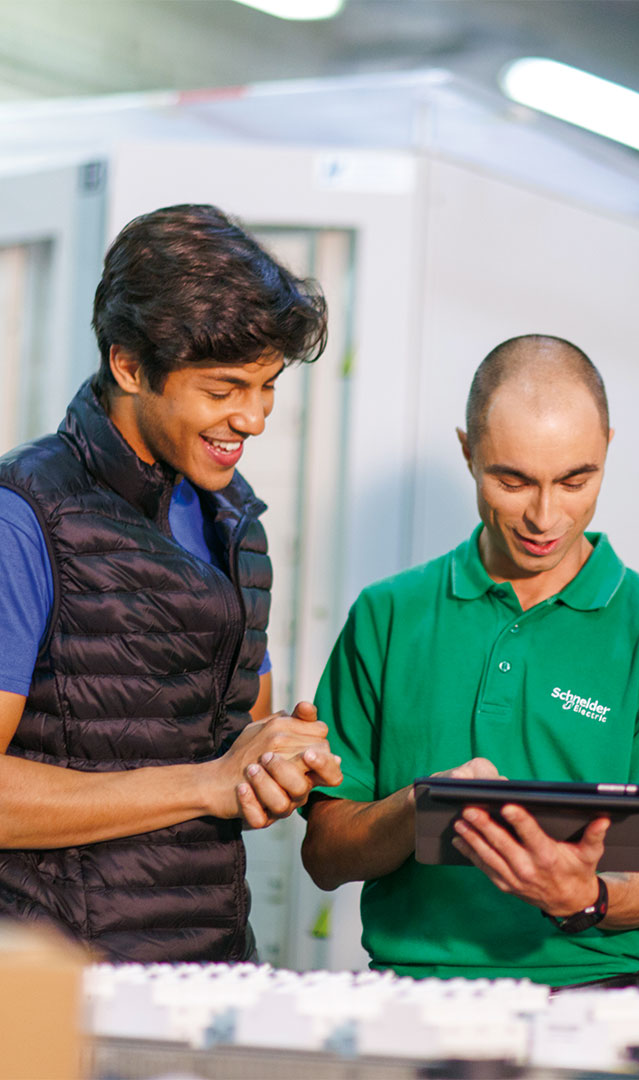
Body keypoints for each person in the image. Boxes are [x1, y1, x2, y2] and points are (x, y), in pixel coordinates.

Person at [301, 334, 639, 987]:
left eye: (576, 479)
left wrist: (582, 895)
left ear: (608, 448)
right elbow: (325, 855)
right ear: (468, 450)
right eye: (513, 480)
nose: (545, 515)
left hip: (594, 1001)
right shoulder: (388, 616)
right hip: (410, 994)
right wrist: (421, 807)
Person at [0, 204, 343, 963]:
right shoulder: (22, 515)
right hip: (57, 982)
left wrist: (278, 756)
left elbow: (234, 740)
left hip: (208, 970)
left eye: (268, 385)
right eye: (225, 389)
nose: (252, 417)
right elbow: (205, 777)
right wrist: (207, 783)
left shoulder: (235, 521)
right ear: (127, 364)